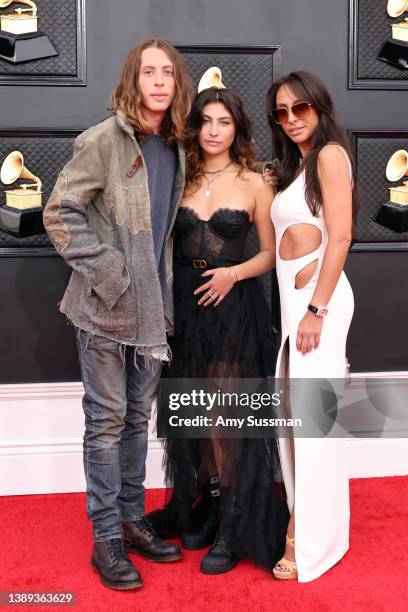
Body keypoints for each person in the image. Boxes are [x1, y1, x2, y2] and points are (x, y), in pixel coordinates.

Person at [43, 38, 192, 590]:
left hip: (152, 315)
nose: (158, 81)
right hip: (105, 310)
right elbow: (59, 211)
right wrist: (110, 273)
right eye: (148, 72)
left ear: (177, 85)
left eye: (167, 73)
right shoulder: (104, 140)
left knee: (135, 421)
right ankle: (105, 538)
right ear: (133, 81)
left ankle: (131, 520)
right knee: (105, 425)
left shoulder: (175, 146)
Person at [148, 84, 289, 575]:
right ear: (195, 127)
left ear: (237, 129)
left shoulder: (255, 183)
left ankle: (233, 524)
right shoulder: (179, 176)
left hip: (233, 305)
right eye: (205, 121)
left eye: (223, 122)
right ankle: (208, 503)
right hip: (184, 306)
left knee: (227, 416)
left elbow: (271, 254)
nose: (213, 131)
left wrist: (232, 273)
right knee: (194, 411)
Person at [266, 70, 357, 581]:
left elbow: (340, 238)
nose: (292, 118)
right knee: (301, 422)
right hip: (298, 307)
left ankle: (305, 539)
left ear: (319, 107)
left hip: (317, 308)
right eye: (281, 111)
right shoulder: (301, 166)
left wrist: (316, 310)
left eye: (300, 107)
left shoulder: (329, 155)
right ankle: (322, 526)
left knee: (313, 423)